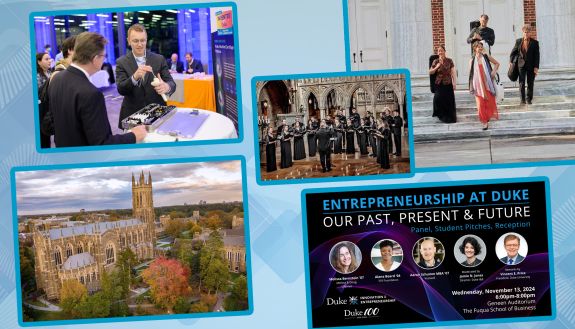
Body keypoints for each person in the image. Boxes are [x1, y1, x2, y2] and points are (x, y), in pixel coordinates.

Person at [49, 32, 146, 147]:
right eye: (104, 56)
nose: (104, 60)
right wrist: (134, 135)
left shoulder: (56, 78)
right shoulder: (90, 93)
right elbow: (102, 143)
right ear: (95, 59)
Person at [115, 24, 176, 129]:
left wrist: (166, 87)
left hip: (157, 112)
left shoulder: (159, 59)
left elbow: (171, 83)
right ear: (129, 41)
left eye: (142, 40)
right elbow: (121, 89)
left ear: (146, 40)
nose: (140, 44)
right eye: (135, 41)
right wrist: (134, 77)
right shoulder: (121, 62)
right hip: (132, 115)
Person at [469, 41, 500, 130]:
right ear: (475, 48)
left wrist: (493, 72)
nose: (481, 48)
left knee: (489, 102)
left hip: (487, 83)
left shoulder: (486, 57)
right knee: (480, 104)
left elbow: (497, 63)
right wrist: (471, 86)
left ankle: (487, 117)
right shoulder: (471, 60)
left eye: (481, 47)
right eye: (479, 47)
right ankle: (484, 122)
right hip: (478, 85)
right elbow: (471, 75)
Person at [510, 24, 540, 105]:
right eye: (525, 32)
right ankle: (522, 99)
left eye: (528, 32)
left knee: (530, 83)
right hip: (521, 65)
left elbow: (537, 56)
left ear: (530, 33)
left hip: (531, 65)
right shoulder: (518, 41)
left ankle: (529, 99)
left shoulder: (535, 43)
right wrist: (511, 62)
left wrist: (536, 67)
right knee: (521, 82)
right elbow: (513, 53)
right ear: (523, 32)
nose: (526, 34)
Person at [429, 45, 457, 123]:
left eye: (441, 50)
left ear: (444, 51)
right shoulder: (435, 61)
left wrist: (454, 83)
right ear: (437, 53)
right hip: (439, 83)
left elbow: (453, 72)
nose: (440, 52)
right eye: (439, 51)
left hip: (448, 83)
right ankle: (440, 114)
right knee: (437, 99)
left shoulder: (449, 61)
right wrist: (436, 67)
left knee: (448, 100)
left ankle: (448, 118)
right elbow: (430, 72)